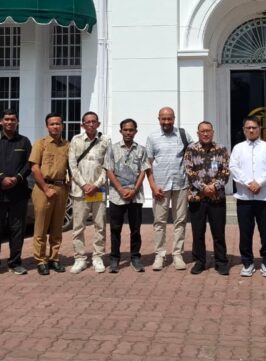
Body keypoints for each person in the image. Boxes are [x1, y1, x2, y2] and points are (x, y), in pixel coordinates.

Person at [0, 109, 33, 280]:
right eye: (6, 119)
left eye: (13, 119)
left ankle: (15, 263)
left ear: (17, 122)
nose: (10, 122)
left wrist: (17, 178)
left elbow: (29, 164)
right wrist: (1, 177)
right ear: (1, 121)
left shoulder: (24, 141)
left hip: (18, 192)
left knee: (17, 229)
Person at [229, 116, 266, 277]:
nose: (251, 130)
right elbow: (233, 167)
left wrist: (260, 183)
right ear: (244, 130)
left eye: (254, 127)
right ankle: (248, 262)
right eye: (248, 128)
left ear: (259, 129)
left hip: (264, 198)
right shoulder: (238, 148)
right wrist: (248, 182)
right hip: (244, 198)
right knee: (245, 232)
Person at [146, 107, 193, 271]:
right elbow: (148, 164)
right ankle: (159, 254)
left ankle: (177, 254)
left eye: (169, 119)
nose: (166, 122)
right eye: (163, 119)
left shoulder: (183, 135)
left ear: (174, 119)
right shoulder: (152, 137)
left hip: (181, 184)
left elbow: (193, 156)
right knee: (159, 222)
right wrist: (152, 185)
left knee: (180, 221)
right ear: (158, 119)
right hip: (160, 186)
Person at [183, 121, 230, 276]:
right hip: (197, 197)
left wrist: (214, 187)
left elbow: (226, 171)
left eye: (208, 131)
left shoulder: (221, 149)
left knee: (218, 232)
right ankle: (199, 261)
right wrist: (203, 187)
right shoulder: (191, 149)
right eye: (202, 131)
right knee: (198, 232)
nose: (205, 134)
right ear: (198, 133)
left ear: (212, 132)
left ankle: (221, 262)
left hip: (217, 198)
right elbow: (189, 171)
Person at [105, 118, 150, 273]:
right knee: (115, 229)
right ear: (121, 131)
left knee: (135, 229)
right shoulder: (112, 149)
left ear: (136, 131)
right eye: (125, 130)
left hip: (135, 196)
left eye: (131, 130)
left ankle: (135, 257)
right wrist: (120, 190)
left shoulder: (141, 150)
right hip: (117, 196)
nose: (128, 133)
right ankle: (114, 258)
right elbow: (109, 171)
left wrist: (134, 190)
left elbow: (143, 171)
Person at [68, 111, 111, 274]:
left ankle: (98, 257)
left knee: (99, 225)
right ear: (82, 125)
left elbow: (107, 167)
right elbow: (72, 166)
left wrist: (96, 184)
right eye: (88, 122)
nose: (91, 124)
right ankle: (80, 258)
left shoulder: (105, 141)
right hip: (80, 191)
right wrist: (85, 184)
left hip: (98, 190)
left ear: (98, 124)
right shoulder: (76, 140)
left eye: (94, 121)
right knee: (78, 226)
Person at [29, 113, 70, 275]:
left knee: (57, 227)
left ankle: (54, 258)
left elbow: (71, 166)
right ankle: (40, 260)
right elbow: (34, 168)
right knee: (41, 226)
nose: (55, 126)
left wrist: (70, 181)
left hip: (61, 189)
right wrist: (46, 188)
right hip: (43, 188)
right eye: (52, 124)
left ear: (63, 126)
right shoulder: (41, 144)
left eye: (58, 124)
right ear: (47, 126)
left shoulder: (67, 145)